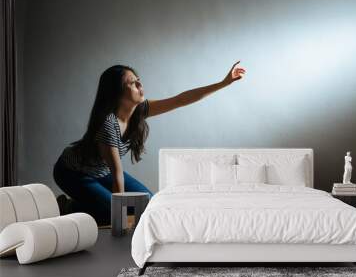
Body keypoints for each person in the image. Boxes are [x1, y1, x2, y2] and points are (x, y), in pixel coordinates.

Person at [53, 61, 246, 225]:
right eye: (132, 83)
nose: (139, 84)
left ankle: (86, 204)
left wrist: (224, 83)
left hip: (101, 171)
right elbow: (117, 175)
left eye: (138, 80)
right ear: (117, 92)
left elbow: (181, 99)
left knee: (148, 204)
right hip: (73, 173)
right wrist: (120, 225)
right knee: (117, 216)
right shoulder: (108, 124)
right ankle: (69, 207)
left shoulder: (139, 111)